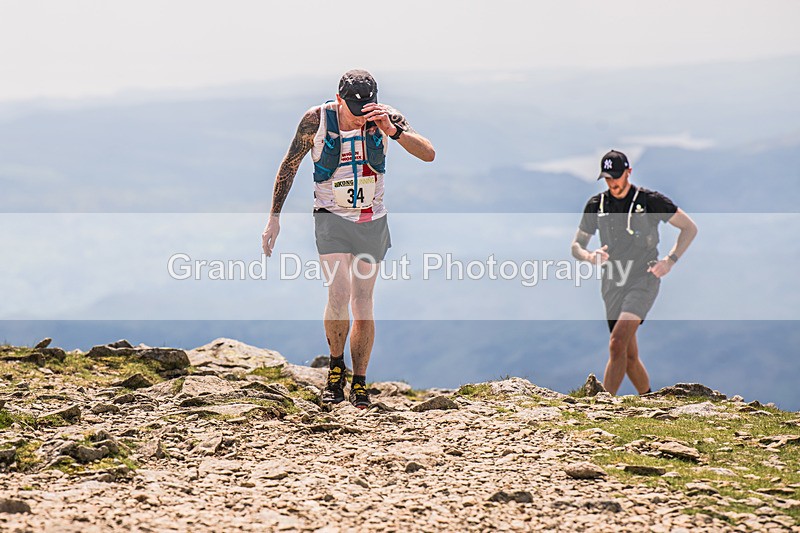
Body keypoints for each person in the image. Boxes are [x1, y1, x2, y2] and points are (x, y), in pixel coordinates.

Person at [261, 69, 435, 409]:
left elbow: (428, 153)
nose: (359, 116)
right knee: (339, 293)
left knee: (363, 302)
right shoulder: (316, 120)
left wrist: (393, 131)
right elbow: (290, 165)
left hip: (372, 220)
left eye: (365, 108)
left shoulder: (387, 117)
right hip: (331, 218)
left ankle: (360, 383)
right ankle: (335, 369)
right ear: (339, 99)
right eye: (354, 109)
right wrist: (274, 217)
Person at [571, 150, 697, 395]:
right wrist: (590, 256)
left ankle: (603, 405)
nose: (612, 183)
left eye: (616, 176)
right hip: (612, 282)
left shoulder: (650, 201)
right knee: (628, 355)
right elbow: (576, 246)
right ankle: (649, 399)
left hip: (643, 279)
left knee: (617, 342)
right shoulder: (597, 205)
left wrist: (670, 261)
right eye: (607, 178)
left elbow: (689, 228)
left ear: (629, 172)